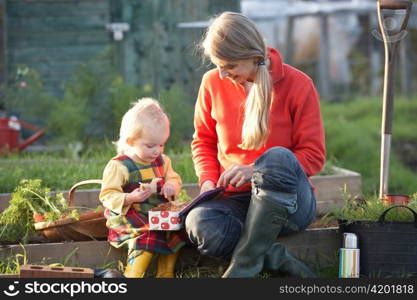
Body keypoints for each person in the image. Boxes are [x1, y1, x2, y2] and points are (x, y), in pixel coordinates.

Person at [185, 12, 326, 278]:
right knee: (199, 223)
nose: (223, 73)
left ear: (251, 55)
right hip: (235, 200)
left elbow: (314, 156)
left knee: (279, 158)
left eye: (229, 65)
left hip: (288, 204)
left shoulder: (299, 85)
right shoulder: (211, 83)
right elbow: (203, 140)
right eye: (218, 65)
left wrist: (255, 170)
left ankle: (243, 267)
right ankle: (276, 259)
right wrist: (207, 182)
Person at [99, 98, 187, 278]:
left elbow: (174, 178)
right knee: (147, 235)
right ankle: (133, 274)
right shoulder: (120, 166)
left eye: (162, 144)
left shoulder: (163, 161)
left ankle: (165, 273)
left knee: (177, 232)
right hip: (132, 215)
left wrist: (171, 185)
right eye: (150, 145)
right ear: (131, 141)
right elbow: (107, 195)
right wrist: (130, 198)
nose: (157, 151)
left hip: (158, 214)